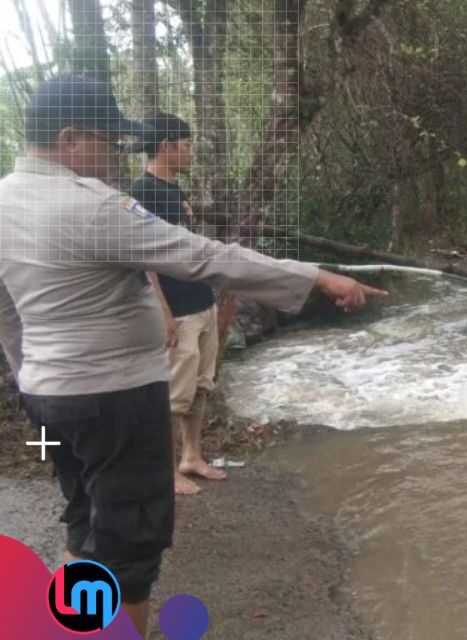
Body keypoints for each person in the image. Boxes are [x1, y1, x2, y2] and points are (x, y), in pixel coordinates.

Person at [0, 74, 386, 636]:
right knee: (129, 546)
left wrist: (27, 376)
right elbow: (204, 258)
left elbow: (7, 314)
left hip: (49, 398)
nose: (116, 157)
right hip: (116, 400)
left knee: (85, 521)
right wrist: (317, 277)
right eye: (111, 142)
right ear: (71, 138)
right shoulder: (92, 208)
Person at [128, 113, 221, 496]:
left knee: (201, 386)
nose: (190, 152)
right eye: (186, 145)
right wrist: (162, 312)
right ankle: (165, 470)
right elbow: (145, 261)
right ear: (166, 146)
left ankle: (192, 455)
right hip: (176, 309)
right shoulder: (142, 193)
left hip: (202, 301)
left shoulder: (175, 190)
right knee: (173, 394)